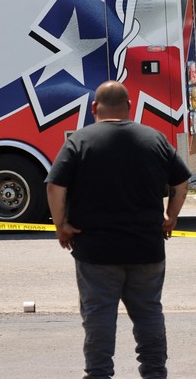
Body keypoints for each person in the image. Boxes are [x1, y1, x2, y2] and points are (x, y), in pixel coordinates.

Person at [46, 81, 190, 379]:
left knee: (98, 316)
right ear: (128, 106)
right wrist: (171, 216)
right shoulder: (155, 139)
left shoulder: (79, 141)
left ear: (94, 108)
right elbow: (181, 182)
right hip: (147, 248)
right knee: (149, 313)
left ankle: (98, 374)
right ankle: (154, 373)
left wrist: (62, 225)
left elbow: (55, 185)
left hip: (95, 251)